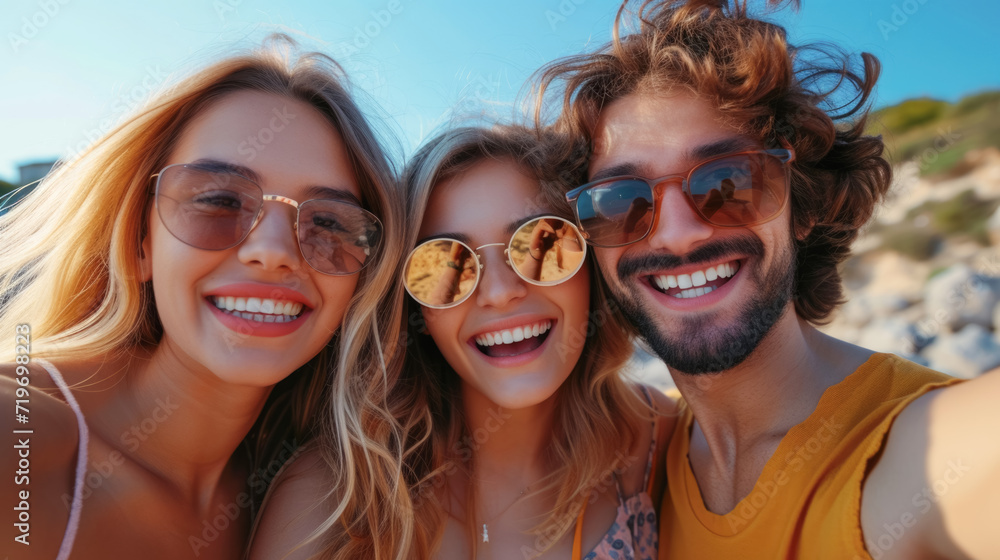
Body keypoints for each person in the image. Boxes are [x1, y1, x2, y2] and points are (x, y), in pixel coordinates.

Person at [535, 1, 998, 558]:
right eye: (621, 202)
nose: (678, 235)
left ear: (801, 206)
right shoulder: (642, 463)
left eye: (729, 181)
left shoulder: (917, 450)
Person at [0, 37, 407, 559]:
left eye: (328, 222)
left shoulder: (323, 493)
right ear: (139, 243)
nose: (274, 251)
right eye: (218, 200)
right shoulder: (21, 435)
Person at [250, 125, 672, 559]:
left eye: (542, 244)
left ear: (589, 265)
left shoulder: (658, 436)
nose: (499, 292)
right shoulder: (330, 502)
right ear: (415, 310)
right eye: (445, 266)